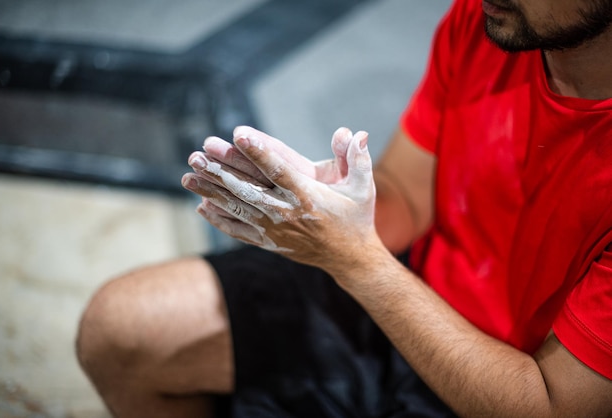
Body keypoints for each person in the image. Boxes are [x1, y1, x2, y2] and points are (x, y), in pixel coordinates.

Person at [75, 0, 612, 416]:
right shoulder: (490, 23)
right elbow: (407, 191)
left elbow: (549, 403)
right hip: (405, 295)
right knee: (120, 329)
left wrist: (358, 261)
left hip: (499, 383)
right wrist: (327, 204)